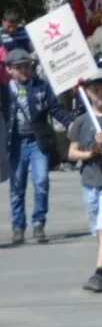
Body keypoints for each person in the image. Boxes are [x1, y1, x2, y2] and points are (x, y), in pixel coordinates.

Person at [4, 48, 72, 245]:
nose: (24, 70)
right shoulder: (5, 90)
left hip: (37, 141)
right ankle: (18, 226)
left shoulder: (42, 86)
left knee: (41, 181)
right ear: (9, 69)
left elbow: (55, 108)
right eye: (19, 67)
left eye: (27, 66)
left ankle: (39, 222)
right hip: (15, 142)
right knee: (17, 185)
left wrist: (70, 123)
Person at [68, 69, 102, 292]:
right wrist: (91, 153)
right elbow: (72, 153)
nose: (101, 94)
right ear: (88, 92)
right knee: (97, 230)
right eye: (96, 90)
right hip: (89, 180)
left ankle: (99, 274)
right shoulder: (82, 122)